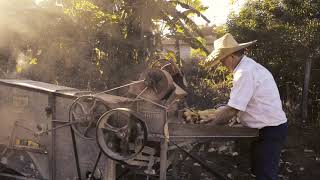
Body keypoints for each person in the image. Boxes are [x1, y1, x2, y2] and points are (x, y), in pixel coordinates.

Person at [192, 33, 288, 180]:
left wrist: (210, 127)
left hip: (270, 130)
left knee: (266, 175)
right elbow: (239, 103)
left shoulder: (245, 72)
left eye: (222, 61)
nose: (222, 65)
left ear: (231, 56)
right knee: (258, 171)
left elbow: (232, 109)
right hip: (263, 129)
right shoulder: (248, 66)